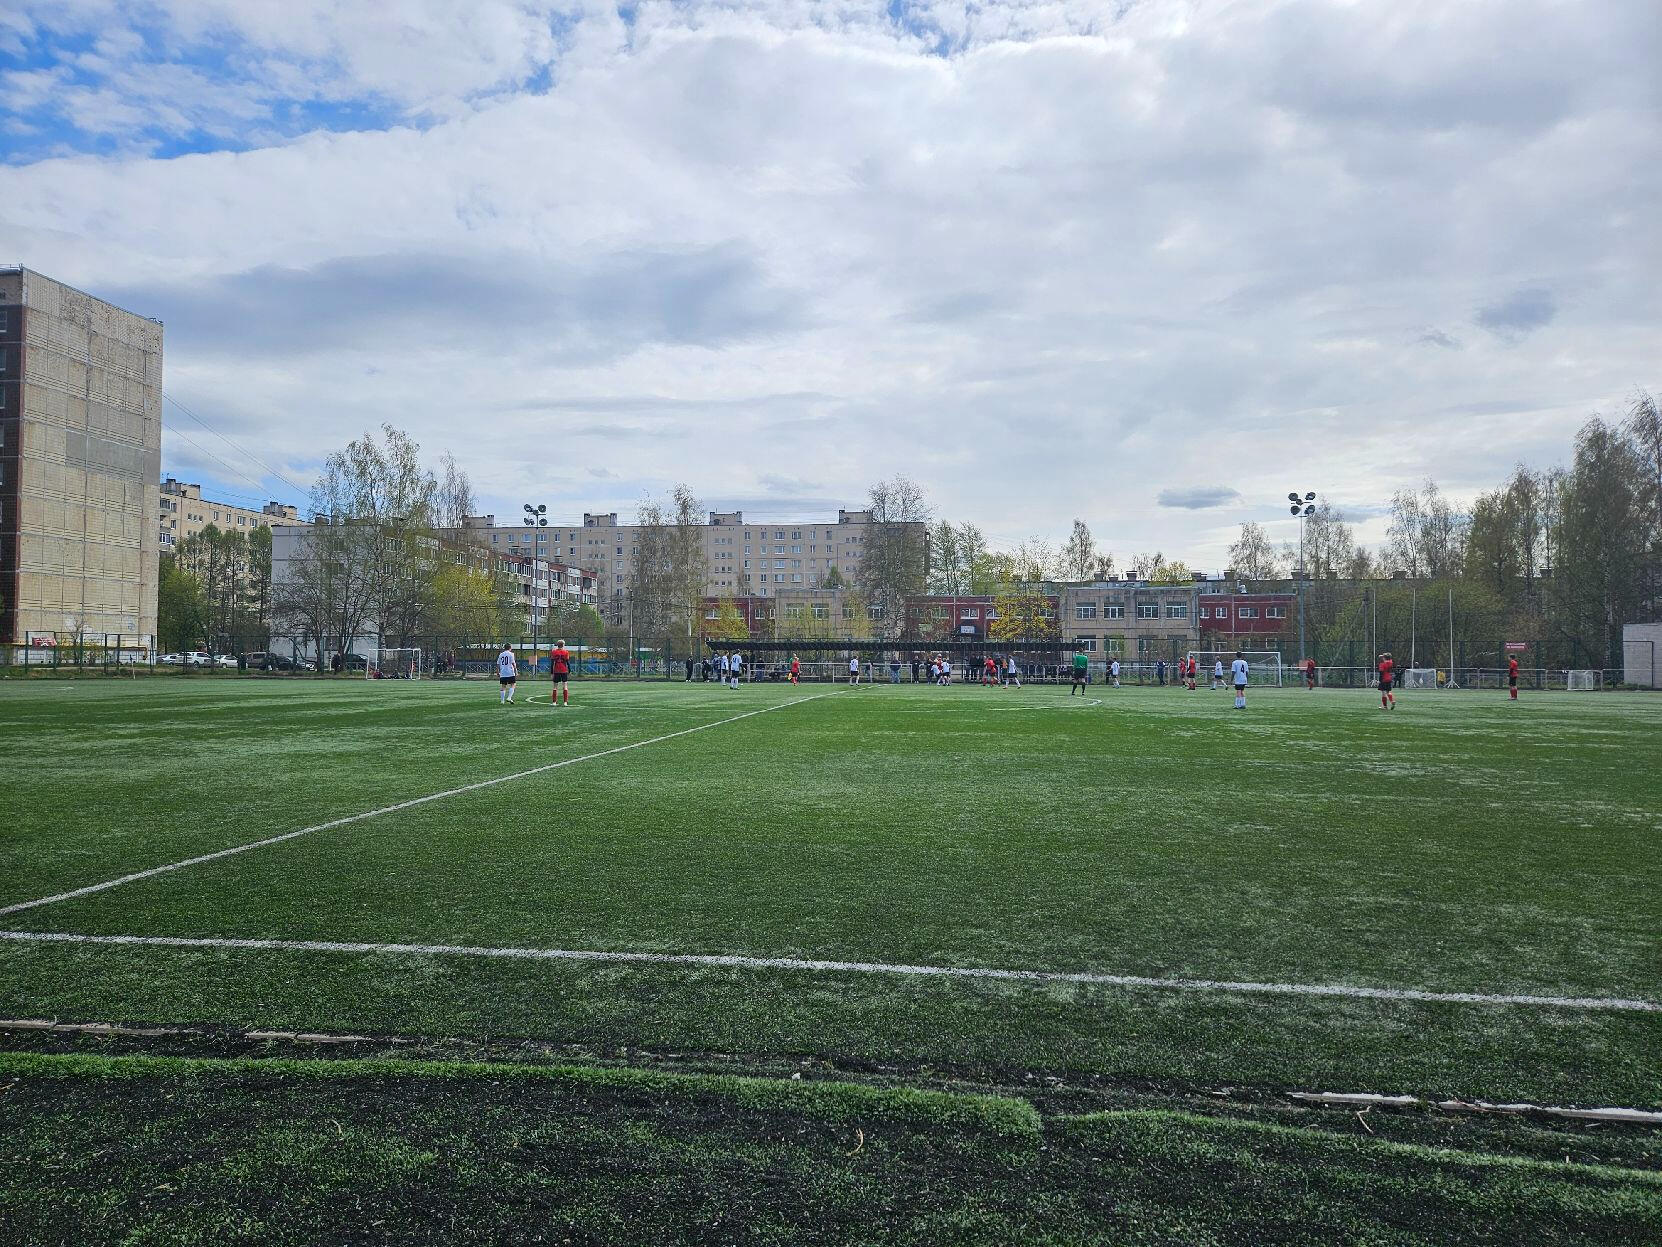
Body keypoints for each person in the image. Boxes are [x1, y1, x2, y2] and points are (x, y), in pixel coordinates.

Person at [549, 639, 572, 706]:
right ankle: (565, 702)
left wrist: (551, 673)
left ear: (557, 645)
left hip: (556, 671)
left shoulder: (554, 652)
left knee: (555, 687)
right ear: (563, 645)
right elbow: (568, 663)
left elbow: (552, 663)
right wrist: (569, 671)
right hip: (564, 671)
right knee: (565, 686)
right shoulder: (566, 652)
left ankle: (554, 702)